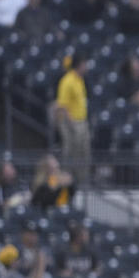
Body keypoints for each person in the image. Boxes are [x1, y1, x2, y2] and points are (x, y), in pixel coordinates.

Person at [54, 53, 92, 184]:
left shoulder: (80, 80)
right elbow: (62, 105)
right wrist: (71, 124)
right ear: (79, 65)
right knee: (71, 152)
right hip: (71, 122)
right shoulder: (67, 80)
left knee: (84, 152)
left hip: (82, 121)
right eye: (84, 64)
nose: (86, 67)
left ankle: (83, 181)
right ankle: (67, 180)